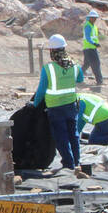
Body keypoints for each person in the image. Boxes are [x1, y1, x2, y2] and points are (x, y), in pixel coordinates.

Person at [31, 33, 86, 177]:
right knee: (73, 134)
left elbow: (41, 90)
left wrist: (35, 104)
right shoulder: (74, 65)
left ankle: (68, 163)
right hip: (71, 105)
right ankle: (77, 163)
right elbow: (80, 79)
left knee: (61, 136)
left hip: (55, 107)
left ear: (51, 51)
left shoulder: (48, 68)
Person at [81, 9, 103, 86]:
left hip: (91, 48)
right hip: (89, 48)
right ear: (89, 17)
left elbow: (93, 37)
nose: (94, 19)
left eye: (95, 18)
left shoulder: (93, 26)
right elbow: (88, 37)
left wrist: (96, 44)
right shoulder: (88, 26)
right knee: (96, 64)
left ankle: (77, 77)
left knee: (86, 64)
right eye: (93, 17)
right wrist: (94, 43)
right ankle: (99, 81)